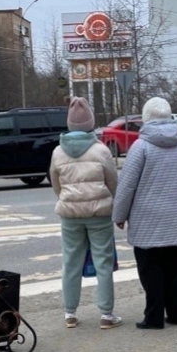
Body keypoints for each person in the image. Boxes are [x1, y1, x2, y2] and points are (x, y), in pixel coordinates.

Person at [112, 97, 177, 330]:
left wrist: (119, 215)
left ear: (146, 118)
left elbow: (127, 185)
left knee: (150, 269)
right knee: (175, 266)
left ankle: (153, 317)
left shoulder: (141, 147)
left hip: (147, 219)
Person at [50, 97, 122, 330]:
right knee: (103, 261)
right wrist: (115, 205)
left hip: (70, 214)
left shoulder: (58, 152)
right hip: (99, 214)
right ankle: (106, 315)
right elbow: (113, 181)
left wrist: (67, 199)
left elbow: (56, 183)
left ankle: (70, 313)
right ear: (91, 122)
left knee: (71, 262)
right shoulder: (101, 150)